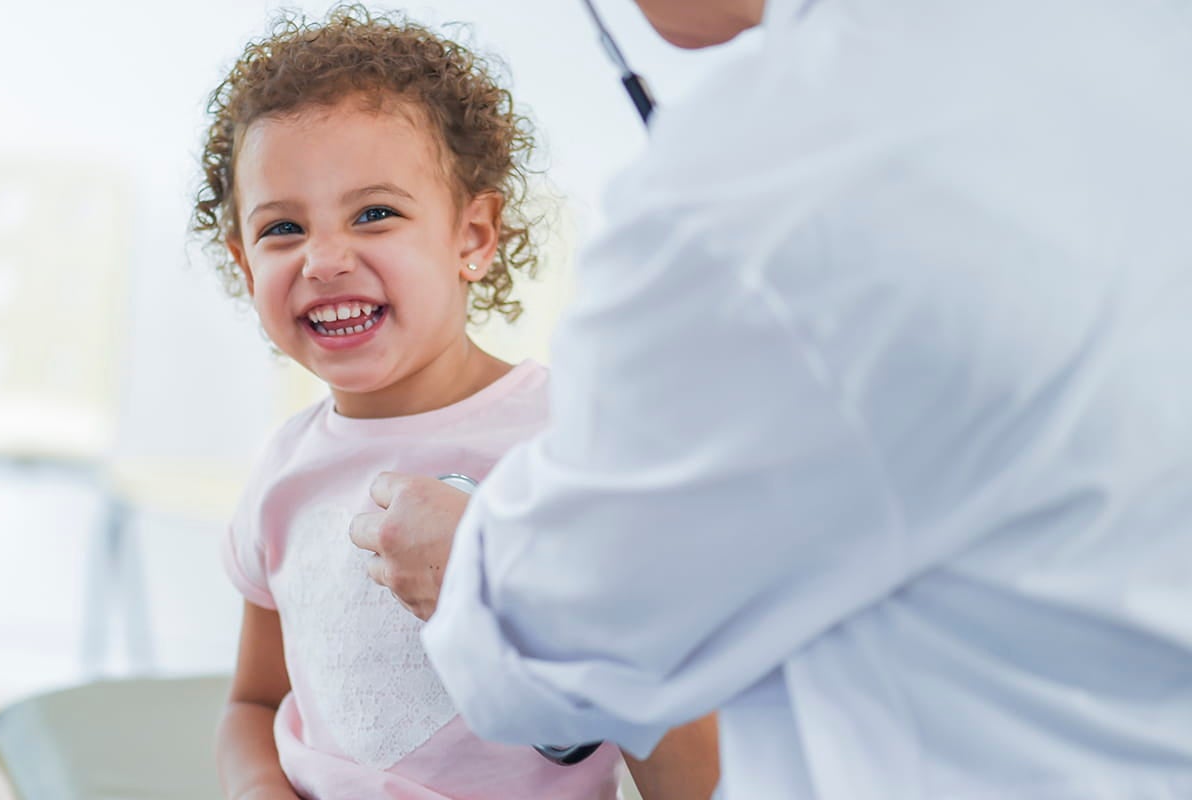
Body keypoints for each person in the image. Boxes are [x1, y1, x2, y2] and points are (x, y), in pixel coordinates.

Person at [348, 0, 1192, 798]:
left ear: (476, 237)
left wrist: (468, 563)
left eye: (376, 214)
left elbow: (569, 638)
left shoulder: (764, 193)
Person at [192, 6, 718, 799]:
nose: (325, 258)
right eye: (282, 228)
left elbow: (679, 732)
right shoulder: (284, 469)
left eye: (376, 213)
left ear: (473, 237)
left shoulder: (573, 445)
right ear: (242, 259)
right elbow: (254, 702)